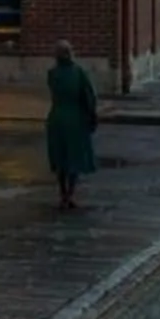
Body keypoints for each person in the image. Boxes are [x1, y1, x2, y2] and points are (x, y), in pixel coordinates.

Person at [44, 41, 100, 212]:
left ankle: (62, 194)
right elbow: (88, 98)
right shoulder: (79, 73)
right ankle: (70, 194)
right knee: (74, 159)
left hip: (56, 118)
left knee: (61, 158)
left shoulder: (52, 74)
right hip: (75, 119)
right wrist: (92, 117)